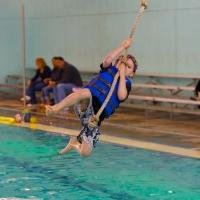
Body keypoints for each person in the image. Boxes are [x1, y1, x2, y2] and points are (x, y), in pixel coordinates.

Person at [46, 37, 137, 157]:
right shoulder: (108, 69)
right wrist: (122, 47)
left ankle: (75, 143)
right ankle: (55, 109)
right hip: (86, 103)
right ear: (117, 63)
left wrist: (121, 74)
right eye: (123, 63)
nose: (124, 67)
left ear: (132, 74)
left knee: (85, 153)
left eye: (128, 67)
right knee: (85, 93)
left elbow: (121, 96)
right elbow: (107, 60)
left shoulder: (126, 84)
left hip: (96, 117)